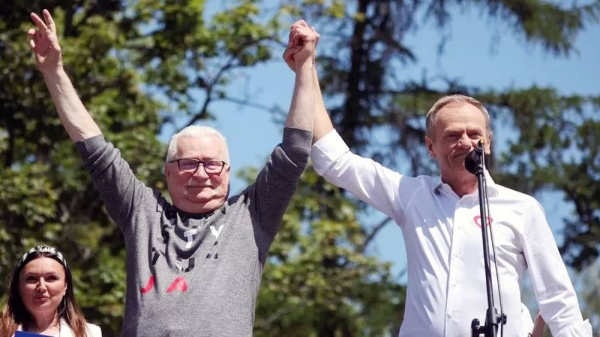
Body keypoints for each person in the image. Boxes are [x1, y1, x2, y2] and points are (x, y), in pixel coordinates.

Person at [28, 9, 318, 336]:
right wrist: (54, 71)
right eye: (188, 163)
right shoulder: (143, 212)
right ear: (167, 172)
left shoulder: (252, 216)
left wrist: (305, 66)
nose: (201, 173)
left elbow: (294, 152)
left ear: (227, 171)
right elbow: (94, 149)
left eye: (212, 164)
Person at [290, 43, 592, 335]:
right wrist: (306, 67)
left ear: (488, 141)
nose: (465, 142)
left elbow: (558, 300)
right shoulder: (411, 196)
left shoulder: (521, 209)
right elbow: (335, 162)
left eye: (474, 134)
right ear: (431, 147)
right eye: (452, 135)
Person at [0, 245, 102, 337]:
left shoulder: (90, 333)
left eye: (51, 278)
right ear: (18, 286)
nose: (41, 287)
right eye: (31, 278)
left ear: (65, 286)